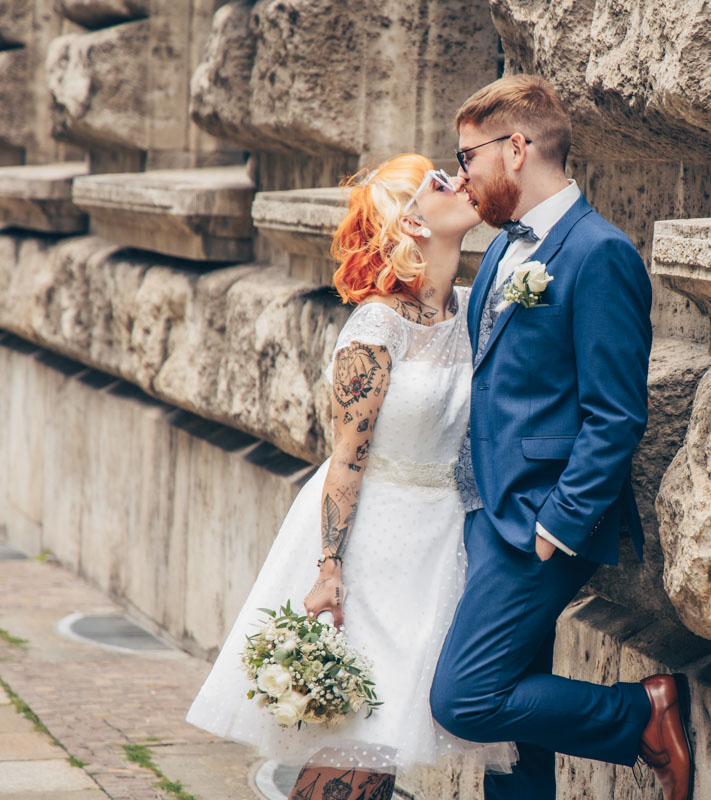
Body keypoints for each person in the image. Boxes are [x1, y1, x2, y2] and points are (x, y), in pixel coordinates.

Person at [186, 153, 516, 800]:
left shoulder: (477, 310)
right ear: (414, 224)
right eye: (438, 183)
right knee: (357, 742)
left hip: (439, 539)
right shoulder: (374, 326)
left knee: (384, 743)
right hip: (369, 544)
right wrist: (329, 567)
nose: (461, 183)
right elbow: (346, 459)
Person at [429, 76, 693, 800]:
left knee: (465, 698)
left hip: (537, 522)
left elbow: (615, 412)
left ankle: (642, 713)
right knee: (516, 722)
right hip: (489, 512)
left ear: (515, 148)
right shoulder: (504, 255)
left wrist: (560, 526)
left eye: (468, 156)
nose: (463, 175)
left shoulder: (598, 253)